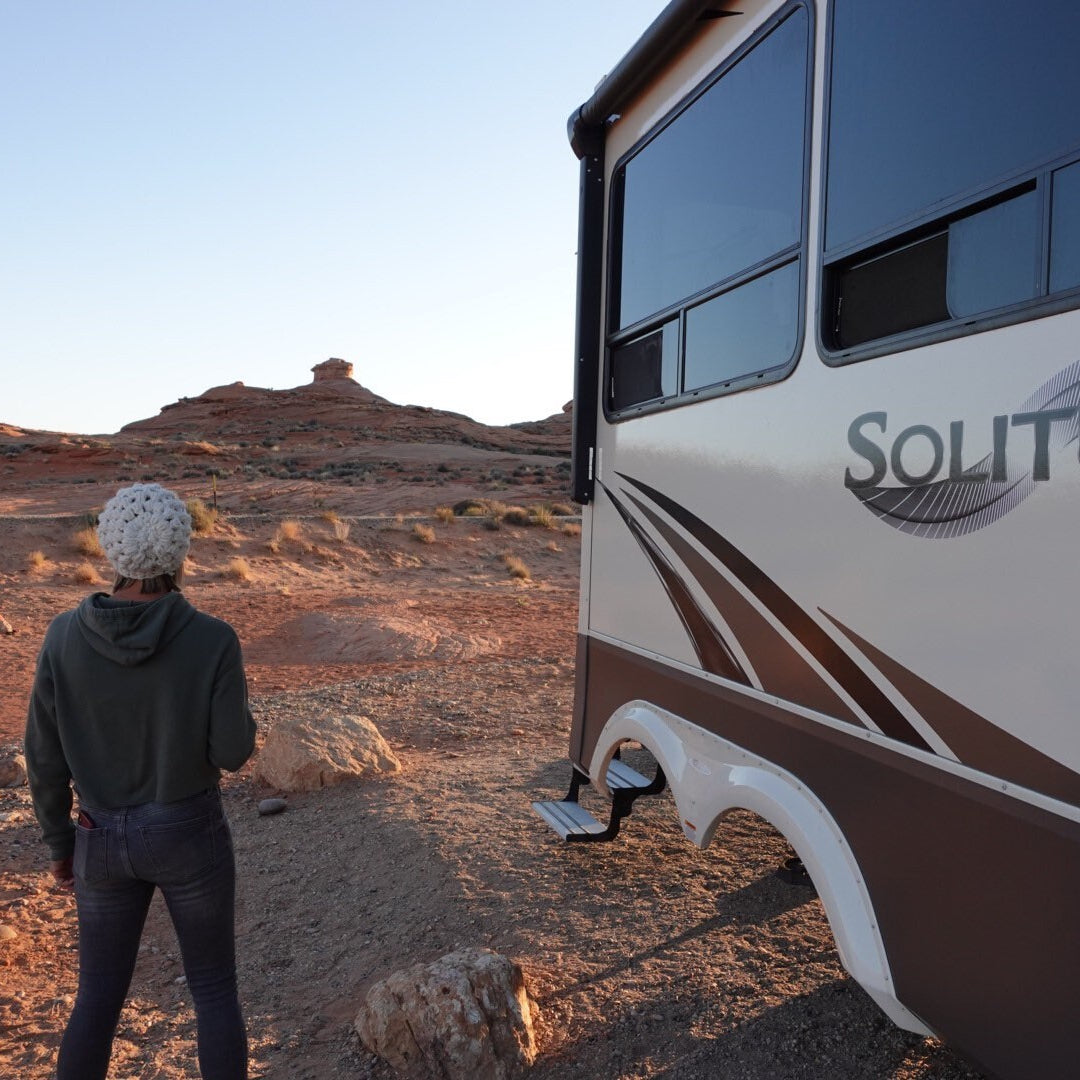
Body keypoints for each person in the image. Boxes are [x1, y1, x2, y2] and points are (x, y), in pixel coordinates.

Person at [24, 483, 257, 1080]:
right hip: (188, 833)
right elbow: (233, 754)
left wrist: (59, 847)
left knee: (97, 999)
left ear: (111, 551)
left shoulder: (61, 638)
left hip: (96, 835)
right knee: (212, 991)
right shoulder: (213, 639)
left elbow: (43, 756)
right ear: (179, 552)